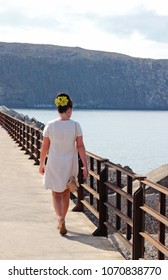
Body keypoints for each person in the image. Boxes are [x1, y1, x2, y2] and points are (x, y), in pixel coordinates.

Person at [39, 93, 88, 235]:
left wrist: (42, 163)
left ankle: (59, 218)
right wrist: (85, 165)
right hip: (70, 164)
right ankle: (63, 218)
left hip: (54, 163)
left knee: (56, 194)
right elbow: (80, 146)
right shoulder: (75, 126)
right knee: (66, 193)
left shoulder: (50, 125)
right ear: (68, 110)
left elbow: (45, 147)